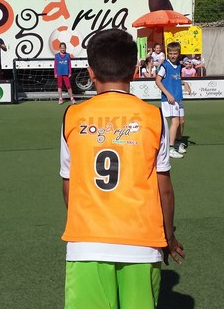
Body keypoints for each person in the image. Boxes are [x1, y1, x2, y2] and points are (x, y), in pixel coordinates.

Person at [59, 29, 184, 309]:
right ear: (134, 71)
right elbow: (164, 189)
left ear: (91, 72)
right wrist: (168, 236)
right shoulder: (153, 116)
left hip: (86, 243)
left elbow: (68, 184)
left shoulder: (72, 115)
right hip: (142, 242)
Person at [155, 42, 191, 158]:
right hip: (169, 99)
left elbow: (176, 79)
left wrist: (184, 83)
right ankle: (170, 149)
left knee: (181, 121)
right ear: (167, 54)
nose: (172, 55)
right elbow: (158, 81)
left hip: (178, 97)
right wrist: (168, 94)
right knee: (175, 122)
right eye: (170, 53)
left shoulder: (179, 65)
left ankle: (178, 143)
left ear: (178, 54)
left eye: (175, 53)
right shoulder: (165, 66)